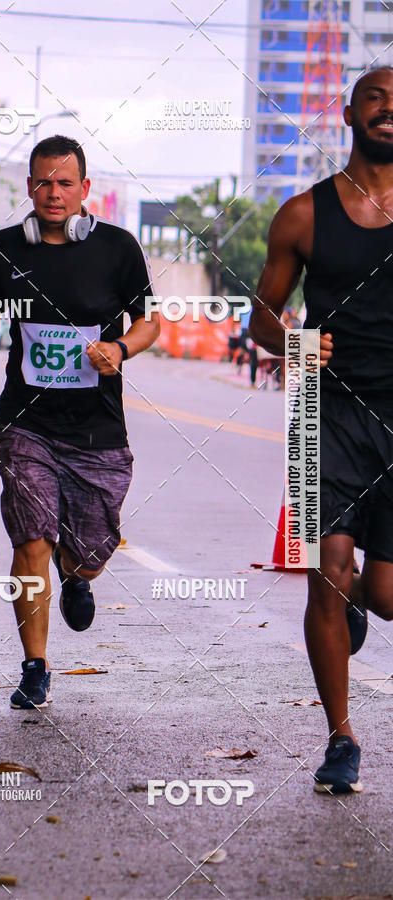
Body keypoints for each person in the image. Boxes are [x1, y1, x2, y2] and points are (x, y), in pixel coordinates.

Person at [0, 135, 160, 710]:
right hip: (26, 424)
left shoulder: (118, 249)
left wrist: (120, 349)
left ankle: (79, 575)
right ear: (29, 187)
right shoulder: (3, 250)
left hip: (98, 431)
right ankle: (34, 667)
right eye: (43, 181)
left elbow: (151, 324)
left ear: (84, 190)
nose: (53, 192)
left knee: (88, 553)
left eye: (65, 182)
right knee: (31, 540)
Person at [250, 66, 393, 794]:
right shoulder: (303, 215)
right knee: (325, 575)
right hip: (324, 416)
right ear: (348, 112)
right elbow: (262, 317)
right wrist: (294, 342)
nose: (389, 108)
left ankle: (366, 597)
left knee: (385, 592)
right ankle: (341, 737)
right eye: (376, 96)